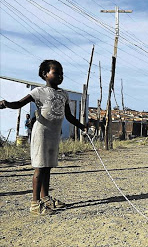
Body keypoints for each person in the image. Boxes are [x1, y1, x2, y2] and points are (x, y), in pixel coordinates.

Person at [0, 60, 86, 216]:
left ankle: (45, 198)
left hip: (54, 134)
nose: (60, 76)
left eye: (61, 73)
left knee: (48, 167)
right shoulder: (39, 92)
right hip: (41, 133)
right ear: (45, 74)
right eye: (56, 72)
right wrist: (6, 103)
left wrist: (82, 126)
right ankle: (34, 203)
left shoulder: (64, 94)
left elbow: (69, 116)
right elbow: (19, 103)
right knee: (40, 167)